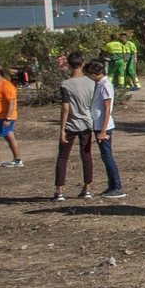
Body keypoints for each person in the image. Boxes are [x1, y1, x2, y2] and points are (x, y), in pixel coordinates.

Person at [52, 53, 96, 201]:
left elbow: (65, 107)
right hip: (86, 123)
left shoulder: (66, 84)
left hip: (71, 123)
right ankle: (87, 188)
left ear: (69, 65)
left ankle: (59, 191)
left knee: (63, 156)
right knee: (86, 154)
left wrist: (62, 129)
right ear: (83, 63)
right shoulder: (91, 83)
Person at [87, 60, 125, 198]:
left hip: (104, 126)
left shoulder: (105, 85)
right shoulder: (100, 84)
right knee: (105, 156)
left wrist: (103, 130)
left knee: (107, 156)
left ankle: (117, 186)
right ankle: (112, 185)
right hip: (98, 125)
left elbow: (107, 107)